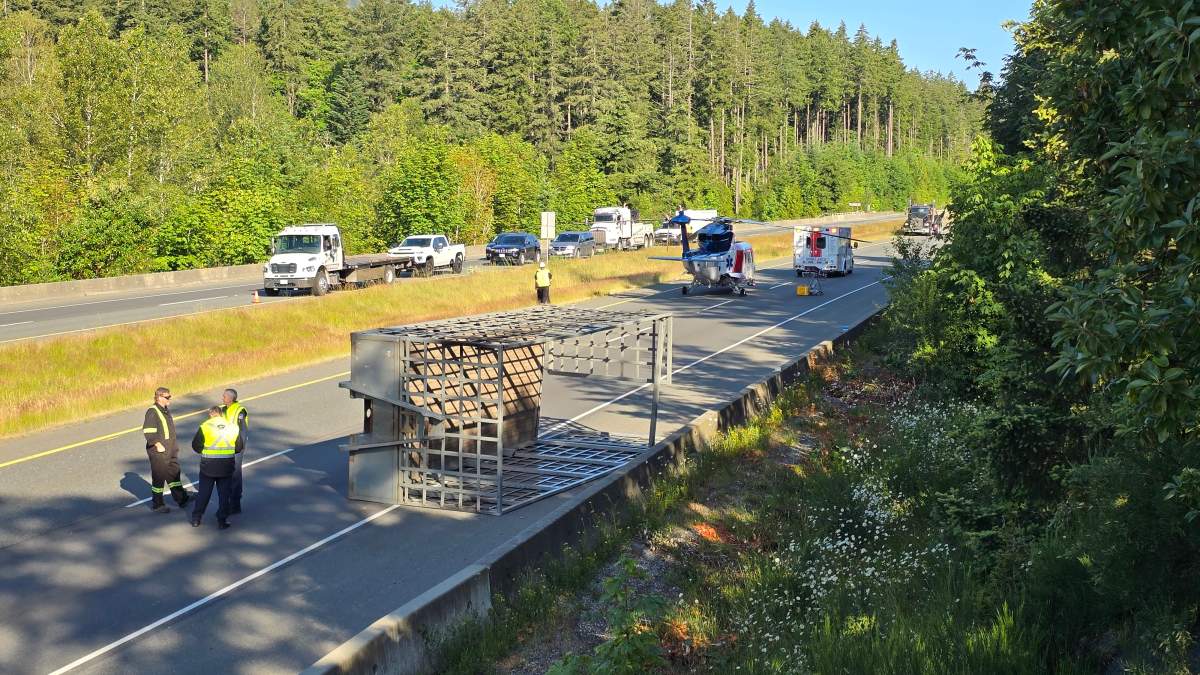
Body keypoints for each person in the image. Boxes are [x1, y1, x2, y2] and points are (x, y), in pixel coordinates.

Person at [190, 406, 243, 529]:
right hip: (226, 466)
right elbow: (239, 447)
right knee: (224, 495)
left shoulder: (205, 426)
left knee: (204, 493)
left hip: (208, 466)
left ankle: (196, 518)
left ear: (210, 415)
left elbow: (195, 446)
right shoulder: (233, 427)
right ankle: (222, 520)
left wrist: (205, 451)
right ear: (221, 415)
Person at [142, 387, 190, 513]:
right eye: (167, 397)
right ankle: (158, 505)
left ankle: (182, 498)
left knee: (174, 474)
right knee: (159, 477)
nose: (169, 399)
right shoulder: (152, 412)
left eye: (170, 397)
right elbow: (148, 431)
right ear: (159, 397)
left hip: (171, 449)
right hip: (160, 452)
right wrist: (157, 444)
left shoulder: (164, 410)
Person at [220, 388, 248, 515]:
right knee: (227, 474)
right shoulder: (224, 409)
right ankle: (229, 501)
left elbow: (243, 431)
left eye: (224, 396)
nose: (222, 398)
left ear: (231, 398)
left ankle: (235, 504)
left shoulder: (240, 410)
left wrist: (239, 447)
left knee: (235, 474)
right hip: (225, 446)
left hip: (237, 446)